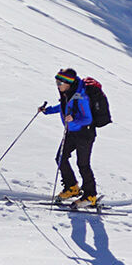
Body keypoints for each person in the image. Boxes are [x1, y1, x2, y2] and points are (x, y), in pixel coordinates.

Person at [43, 69, 100, 207]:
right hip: (71, 132)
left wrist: (74, 119)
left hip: (84, 134)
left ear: (68, 83)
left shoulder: (82, 97)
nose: (57, 85)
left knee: (83, 164)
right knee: (60, 158)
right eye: (56, 82)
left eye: (60, 82)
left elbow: (88, 119)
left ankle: (90, 195)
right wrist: (47, 110)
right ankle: (72, 187)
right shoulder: (67, 93)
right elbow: (63, 107)